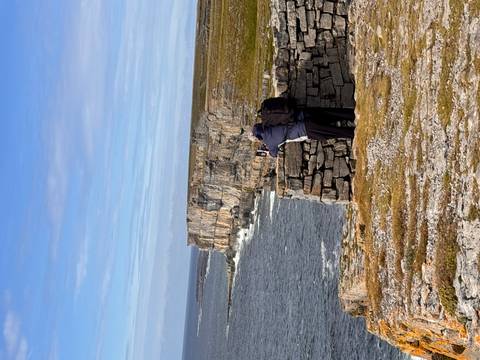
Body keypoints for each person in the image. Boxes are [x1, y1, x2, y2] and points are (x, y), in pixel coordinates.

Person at [251, 103, 355, 157]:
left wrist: (268, 151)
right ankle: (352, 114)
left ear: (259, 137)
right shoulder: (270, 122)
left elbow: (274, 154)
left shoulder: (269, 142)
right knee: (331, 114)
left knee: (333, 132)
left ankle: (353, 133)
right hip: (304, 113)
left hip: (306, 130)